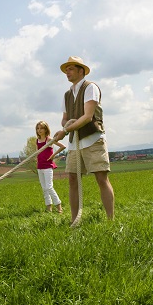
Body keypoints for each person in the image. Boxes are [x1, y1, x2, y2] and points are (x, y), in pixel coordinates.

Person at [53, 56, 115, 223]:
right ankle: (74, 221)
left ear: (81, 71)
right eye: (66, 69)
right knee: (72, 179)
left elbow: (88, 117)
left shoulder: (90, 87)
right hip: (75, 143)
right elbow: (65, 119)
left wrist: (65, 130)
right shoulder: (67, 94)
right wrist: (65, 128)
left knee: (101, 178)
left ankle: (111, 221)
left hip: (93, 139)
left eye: (71, 68)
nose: (67, 72)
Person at [35, 120, 66, 213]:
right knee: (44, 188)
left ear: (46, 129)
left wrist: (53, 155)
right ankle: (49, 208)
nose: (39, 130)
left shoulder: (48, 139)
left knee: (49, 187)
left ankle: (59, 206)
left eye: (41, 128)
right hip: (40, 166)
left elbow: (62, 146)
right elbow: (38, 152)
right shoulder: (37, 140)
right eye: (38, 128)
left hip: (48, 166)